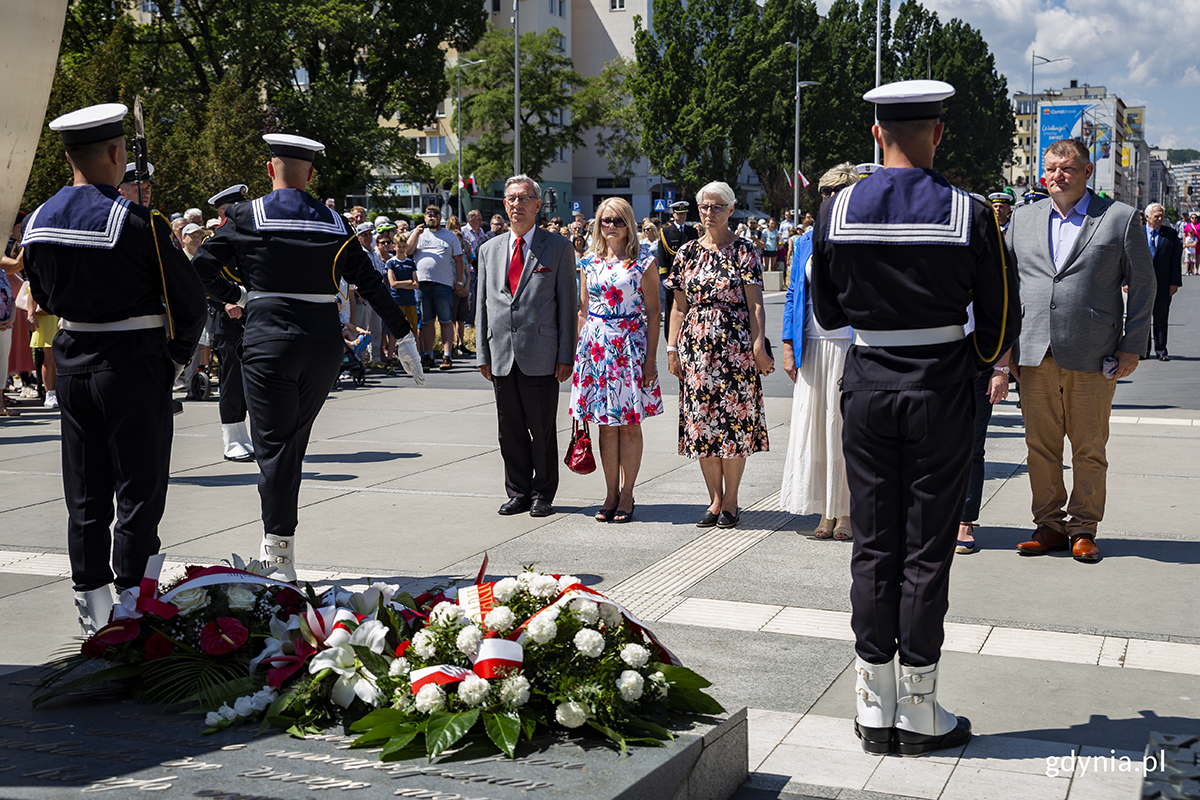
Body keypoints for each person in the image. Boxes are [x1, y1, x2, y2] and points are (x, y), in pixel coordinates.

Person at [810, 81, 1019, 757]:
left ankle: (873, 702)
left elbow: (827, 312)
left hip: (868, 383)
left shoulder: (835, 208)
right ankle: (920, 706)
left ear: (877, 134)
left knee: (874, 544)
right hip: (940, 388)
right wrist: (966, 359)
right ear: (938, 133)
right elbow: (999, 322)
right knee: (927, 548)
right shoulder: (971, 211)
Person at [190, 133, 424, 581]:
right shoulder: (334, 222)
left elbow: (199, 268)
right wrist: (404, 335)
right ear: (311, 174)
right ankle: (276, 547)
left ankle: (279, 556)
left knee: (275, 448)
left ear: (269, 169)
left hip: (269, 342)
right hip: (322, 345)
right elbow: (370, 283)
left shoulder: (245, 215)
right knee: (292, 444)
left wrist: (237, 294)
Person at [21, 103, 208, 633]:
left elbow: (44, 294)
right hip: (133, 364)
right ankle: (134, 607)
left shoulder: (38, 221)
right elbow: (190, 301)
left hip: (72, 361)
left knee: (84, 495)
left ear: (68, 156)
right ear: (115, 152)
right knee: (138, 492)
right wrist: (174, 359)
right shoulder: (140, 221)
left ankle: (92, 612)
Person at [1008, 138, 1154, 564]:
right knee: (1040, 445)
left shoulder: (1118, 218)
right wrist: (1005, 350)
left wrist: (1132, 346)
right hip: (1034, 351)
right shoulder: (1022, 218)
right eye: (1051, 168)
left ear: (1087, 172)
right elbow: (1006, 284)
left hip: (1093, 353)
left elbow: (1143, 286)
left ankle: (1084, 527)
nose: (1057, 176)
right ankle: (1049, 525)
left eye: (1067, 168)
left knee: (1088, 446)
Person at [665, 181, 772, 530]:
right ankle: (714, 499)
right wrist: (672, 348)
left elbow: (755, 304)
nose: (709, 213)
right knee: (703, 425)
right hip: (696, 351)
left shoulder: (744, 250)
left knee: (733, 425)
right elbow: (678, 307)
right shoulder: (687, 252)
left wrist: (758, 345)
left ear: (730, 210)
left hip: (735, 351)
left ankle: (732, 501)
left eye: (717, 207)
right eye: (704, 207)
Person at [476, 174, 577, 518]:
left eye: (523, 198)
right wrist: (482, 352)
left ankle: (542, 493)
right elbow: (483, 305)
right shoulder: (489, 250)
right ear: (505, 205)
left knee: (542, 430)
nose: (516, 204)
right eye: (511, 198)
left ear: (537, 205)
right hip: (502, 354)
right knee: (510, 431)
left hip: (541, 355)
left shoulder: (558, 248)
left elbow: (567, 305)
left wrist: (566, 355)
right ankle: (518, 491)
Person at [570, 198, 663, 523]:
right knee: (606, 427)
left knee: (629, 426)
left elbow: (654, 312)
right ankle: (610, 493)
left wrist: (650, 361)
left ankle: (627, 493)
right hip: (595, 350)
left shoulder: (643, 262)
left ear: (629, 224)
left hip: (629, 349)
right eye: (606, 220)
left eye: (619, 221)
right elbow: (583, 310)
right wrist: (579, 356)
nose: (611, 226)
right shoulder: (588, 261)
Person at [780, 163, 857, 540]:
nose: (830, 197)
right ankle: (826, 510)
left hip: (850, 343)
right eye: (826, 192)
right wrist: (788, 344)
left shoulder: (862, 235)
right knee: (816, 430)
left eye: (838, 191)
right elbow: (794, 293)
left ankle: (846, 512)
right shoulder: (805, 241)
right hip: (812, 344)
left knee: (844, 428)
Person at [404, 205, 466, 372]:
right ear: (424, 218)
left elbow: (459, 260)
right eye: (429, 214)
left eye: (435, 214)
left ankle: (447, 355)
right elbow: (408, 251)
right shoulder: (418, 234)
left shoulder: (449, 236)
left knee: (446, 321)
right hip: (422, 284)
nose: (432, 217)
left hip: (443, 284)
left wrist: (459, 283)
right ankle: (429, 355)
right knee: (427, 322)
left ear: (440, 217)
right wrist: (416, 233)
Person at [1142, 203, 1182, 361]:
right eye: (1156, 216)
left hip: (1163, 284)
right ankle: (1143, 351)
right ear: (1147, 217)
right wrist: (1126, 281)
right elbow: (1127, 258)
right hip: (1141, 285)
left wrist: (1175, 282)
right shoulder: (1137, 233)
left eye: (1161, 216)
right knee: (1142, 319)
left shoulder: (1170, 234)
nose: (1159, 219)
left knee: (1161, 317)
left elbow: (1175, 260)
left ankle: (1161, 350)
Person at [657, 201, 698, 343]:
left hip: (688, 276)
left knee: (689, 306)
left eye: (684, 214)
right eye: (679, 214)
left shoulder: (692, 232)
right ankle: (670, 337)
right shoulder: (665, 232)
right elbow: (662, 256)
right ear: (673, 214)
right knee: (671, 307)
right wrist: (664, 277)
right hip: (672, 276)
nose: (682, 216)